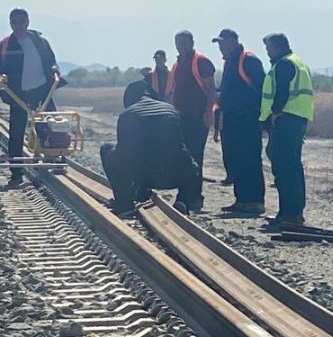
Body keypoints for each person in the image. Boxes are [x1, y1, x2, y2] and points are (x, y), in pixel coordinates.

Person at [0, 8, 62, 187]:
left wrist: (54, 69)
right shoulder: (5, 45)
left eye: (21, 21)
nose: (18, 25)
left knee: (53, 125)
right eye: (15, 22)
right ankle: (16, 174)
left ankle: (55, 157)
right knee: (16, 133)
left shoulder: (40, 42)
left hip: (42, 90)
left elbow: (51, 60)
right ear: (10, 23)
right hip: (18, 94)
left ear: (27, 22)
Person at [100, 81, 203, 214]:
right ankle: (183, 201)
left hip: (141, 176)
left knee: (106, 149)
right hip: (175, 176)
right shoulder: (171, 111)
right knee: (190, 156)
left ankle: (124, 203)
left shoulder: (128, 115)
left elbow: (123, 154)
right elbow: (183, 148)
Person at [260, 32, 314, 226]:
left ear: (277, 47)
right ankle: (291, 212)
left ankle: (290, 214)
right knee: (292, 167)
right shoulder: (298, 62)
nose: (267, 52)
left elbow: (282, 91)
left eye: (268, 48)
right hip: (298, 119)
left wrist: (275, 112)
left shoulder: (284, 64)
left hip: (286, 119)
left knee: (285, 168)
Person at [212, 29, 266, 216]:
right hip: (232, 119)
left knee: (250, 159)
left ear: (232, 42)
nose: (220, 47)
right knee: (237, 160)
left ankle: (255, 202)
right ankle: (242, 200)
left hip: (247, 119)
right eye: (219, 44)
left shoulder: (248, 60)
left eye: (222, 43)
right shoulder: (229, 62)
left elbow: (261, 89)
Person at [165, 30, 216, 192]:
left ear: (192, 43)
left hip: (198, 116)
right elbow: (173, 91)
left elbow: (211, 90)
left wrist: (209, 112)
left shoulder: (201, 62)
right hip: (181, 116)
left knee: (195, 153)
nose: (181, 46)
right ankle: (185, 190)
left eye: (184, 42)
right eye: (178, 43)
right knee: (183, 154)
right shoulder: (177, 64)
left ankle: (194, 194)